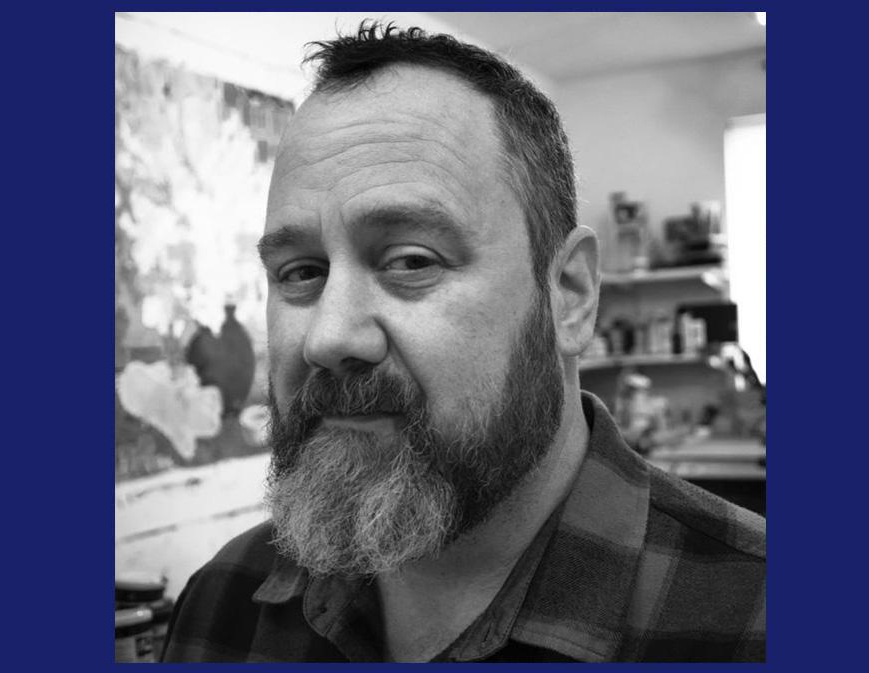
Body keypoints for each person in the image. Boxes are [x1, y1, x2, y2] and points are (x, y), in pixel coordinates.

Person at [162, 21, 765, 663]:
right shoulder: (224, 603)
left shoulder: (758, 620)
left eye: (411, 261)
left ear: (570, 294)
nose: (330, 337)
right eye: (301, 273)